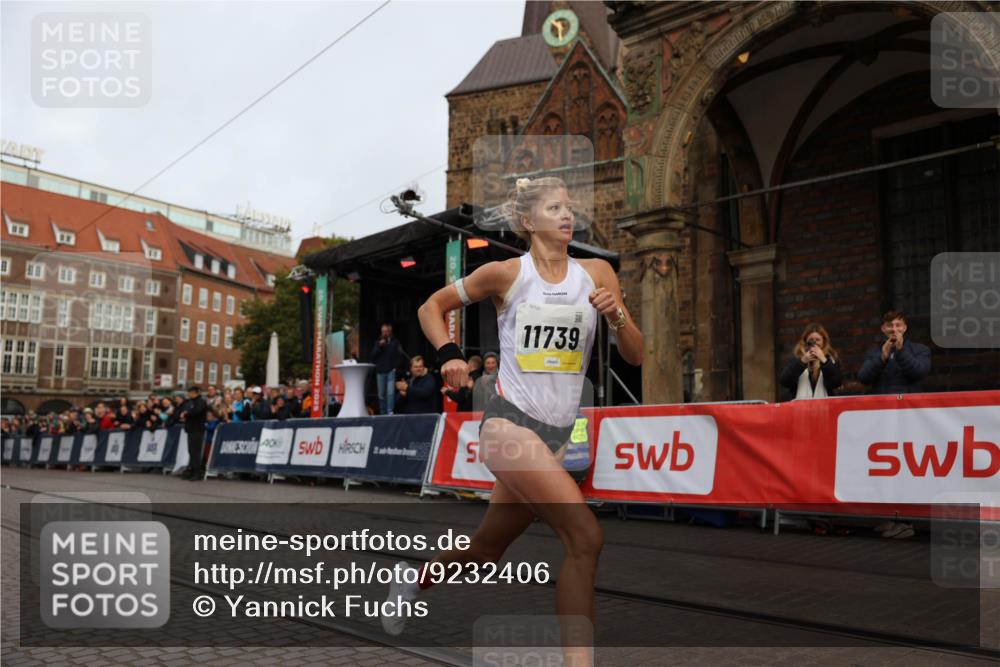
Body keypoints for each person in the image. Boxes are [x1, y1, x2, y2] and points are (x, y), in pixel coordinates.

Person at [380, 176, 644, 665]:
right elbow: (430, 307)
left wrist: (618, 318)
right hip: (507, 425)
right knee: (585, 537)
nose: (566, 215)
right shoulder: (505, 274)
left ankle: (414, 577)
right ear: (528, 222)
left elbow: (637, 355)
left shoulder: (600, 274)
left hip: (558, 439)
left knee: (485, 551)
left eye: (568, 207)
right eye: (553, 208)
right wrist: (450, 354)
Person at [858, 310, 931, 394]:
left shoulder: (920, 349)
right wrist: (882, 358)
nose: (894, 329)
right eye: (889, 325)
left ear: (904, 328)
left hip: (908, 404)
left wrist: (901, 351)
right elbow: (863, 379)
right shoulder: (873, 352)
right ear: (883, 329)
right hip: (883, 404)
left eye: (898, 325)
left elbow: (920, 373)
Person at [779, 324, 843, 399]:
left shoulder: (831, 359)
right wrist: (802, 362)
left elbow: (836, 383)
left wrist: (824, 360)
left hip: (825, 406)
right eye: (811, 340)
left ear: (824, 341)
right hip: (799, 406)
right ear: (805, 341)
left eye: (818, 340)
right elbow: (785, 381)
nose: (814, 343)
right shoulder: (797, 357)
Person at [371, 323, 405, 415]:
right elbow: (373, 354)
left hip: (391, 371)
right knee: (381, 395)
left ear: (390, 331)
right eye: (383, 331)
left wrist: (395, 368)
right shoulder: (378, 342)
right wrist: (379, 346)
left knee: (390, 394)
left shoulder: (395, 342)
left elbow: (400, 356)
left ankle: (390, 412)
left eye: (386, 331)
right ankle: (382, 413)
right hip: (380, 371)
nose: (385, 333)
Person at [179, 385, 208, 481]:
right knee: (191, 451)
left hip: (198, 429)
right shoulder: (189, 402)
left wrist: (187, 412)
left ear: (195, 392)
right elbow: (184, 410)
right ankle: (191, 470)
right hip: (191, 429)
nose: (188, 394)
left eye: (190, 392)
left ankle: (197, 472)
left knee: (196, 451)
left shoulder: (201, 402)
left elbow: (197, 411)